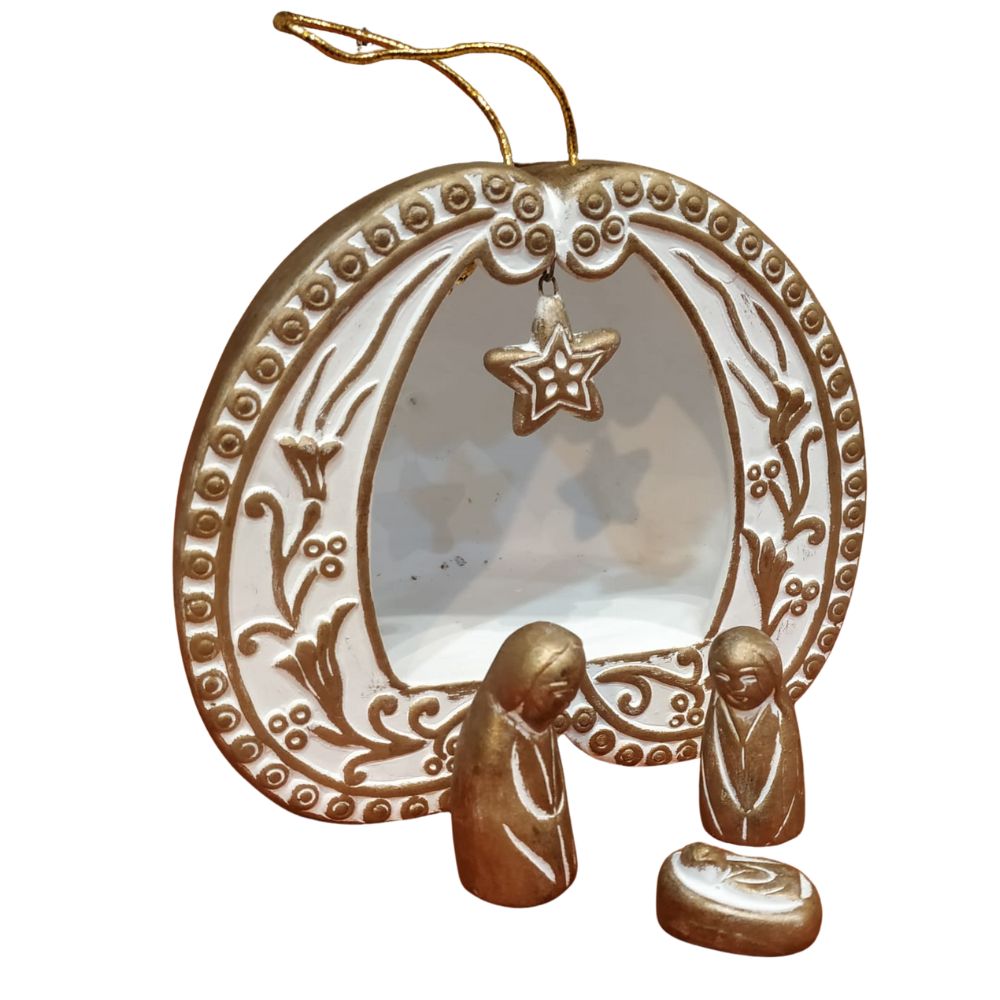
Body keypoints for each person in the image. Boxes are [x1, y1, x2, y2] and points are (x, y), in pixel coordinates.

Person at [449, 621, 586, 907]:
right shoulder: (492, 742)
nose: (562, 706)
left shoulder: (539, 729)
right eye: (556, 694)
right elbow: (503, 824)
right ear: (519, 687)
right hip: (506, 876)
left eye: (570, 695)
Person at [699, 626, 805, 846]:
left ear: (773, 675)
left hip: (774, 826)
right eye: (722, 676)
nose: (735, 687)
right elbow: (712, 772)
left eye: (749, 676)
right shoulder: (717, 714)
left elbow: (785, 778)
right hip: (722, 824)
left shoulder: (779, 717)